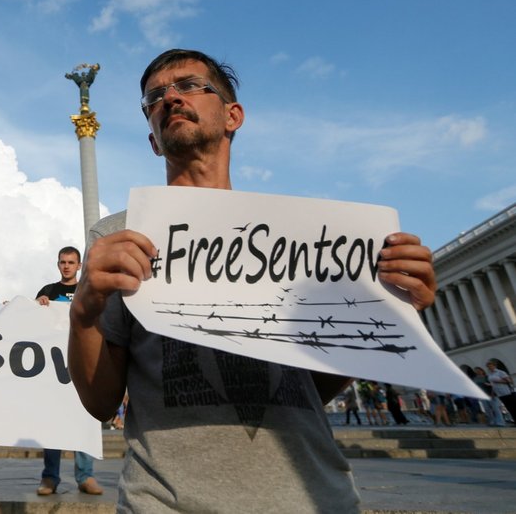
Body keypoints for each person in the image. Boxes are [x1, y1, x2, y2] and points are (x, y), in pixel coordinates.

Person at [66, 49, 437, 513]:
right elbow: (101, 403)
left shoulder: (304, 237)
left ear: (233, 115)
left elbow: (308, 389)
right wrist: (83, 311)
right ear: (153, 141)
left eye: (189, 86)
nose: (171, 98)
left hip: (317, 497)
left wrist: (387, 313)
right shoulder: (119, 239)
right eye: (155, 96)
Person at [35, 246, 103, 496]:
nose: (66, 266)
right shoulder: (48, 292)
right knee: (53, 422)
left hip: (83, 365)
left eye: (71, 262)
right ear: (58, 264)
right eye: (62, 262)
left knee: (84, 420)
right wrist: (37, 306)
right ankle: (50, 477)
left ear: (79, 265)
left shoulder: (88, 290)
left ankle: (85, 476)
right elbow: (34, 324)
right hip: (54, 368)